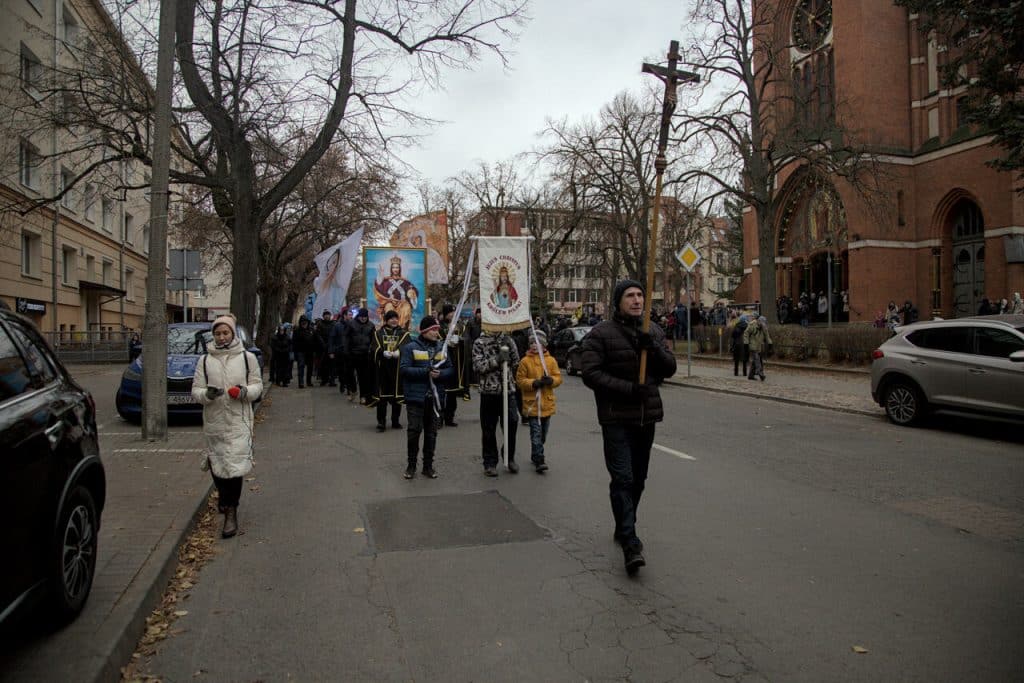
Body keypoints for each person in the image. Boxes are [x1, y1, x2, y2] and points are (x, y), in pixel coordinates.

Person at [579, 279, 677, 575]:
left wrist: (654, 349)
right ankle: (630, 543)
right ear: (618, 301)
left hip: (646, 418)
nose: (636, 300)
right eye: (630, 296)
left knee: (638, 480)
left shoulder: (654, 331)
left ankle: (624, 524)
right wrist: (628, 389)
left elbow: (669, 368)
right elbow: (590, 373)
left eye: (639, 295)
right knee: (622, 477)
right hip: (616, 417)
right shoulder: (601, 334)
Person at [191, 314, 262, 539]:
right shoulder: (205, 361)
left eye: (226, 333)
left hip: (239, 420)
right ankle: (224, 498)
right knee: (217, 463)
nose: (222, 337)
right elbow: (196, 391)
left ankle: (231, 511)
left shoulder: (246, 358)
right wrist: (207, 395)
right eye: (218, 333)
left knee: (235, 466)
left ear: (233, 334)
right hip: (215, 421)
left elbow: (257, 386)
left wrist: (243, 392)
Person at [399, 316, 453, 479]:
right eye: (434, 329)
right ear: (425, 331)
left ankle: (428, 466)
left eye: (437, 329)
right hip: (416, 398)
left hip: (435, 399)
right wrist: (425, 372)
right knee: (414, 432)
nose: (437, 332)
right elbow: (404, 369)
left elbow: (450, 369)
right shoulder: (410, 348)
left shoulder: (442, 348)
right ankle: (411, 466)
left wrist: (441, 374)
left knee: (431, 434)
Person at [472, 327, 521, 476]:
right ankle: (490, 462)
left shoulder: (508, 340)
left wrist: (508, 357)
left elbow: (516, 361)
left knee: (512, 423)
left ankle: (509, 456)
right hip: (489, 391)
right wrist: (497, 360)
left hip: (508, 390)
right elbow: (478, 366)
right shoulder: (479, 342)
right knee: (488, 429)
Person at [515, 330, 562, 473]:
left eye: (538, 343)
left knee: (542, 435)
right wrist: (533, 383)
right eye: (532, 343)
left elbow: (558, 378)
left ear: (544, 345)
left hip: (547, 404)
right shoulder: (525, 361)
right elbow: (520, 380)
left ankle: (536, 452)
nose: (535, 345)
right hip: (532, 405)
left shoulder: (551, 360)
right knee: (535, 433)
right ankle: (539, 459)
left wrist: (551, 381)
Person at [372, 310, 409, 431]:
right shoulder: (378, 333)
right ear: (386, 320)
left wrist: (400, 351)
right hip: (383, 369)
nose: (394, 320)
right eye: (391, 318)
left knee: (396, 397)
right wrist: (382, 352)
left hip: (397, 370)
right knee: (382, 398)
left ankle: (395, 421)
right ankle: (381, 422)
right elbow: (373, 348)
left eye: (395, 318)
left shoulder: (403, 333)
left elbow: (407, 346)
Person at [373, 255, 419, 329]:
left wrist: (412, 292)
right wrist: (380, 274)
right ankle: (390, 329)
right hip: (390, 302)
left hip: (402, 303)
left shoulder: (405, 281)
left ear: (399, 269)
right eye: (393, 267)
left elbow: (413, 289)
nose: (395, 269)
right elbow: (378, 287)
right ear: (391, 269)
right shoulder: (386, 281)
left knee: (407, 307)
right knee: (389, 307)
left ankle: (402, 329)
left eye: (397, 267)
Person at [439, 305, 467, 427]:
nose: (452, 314)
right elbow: (437, 340)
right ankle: (439, 418)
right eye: (450, 312)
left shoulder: (460, 325)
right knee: (441, 393)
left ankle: (450, 417)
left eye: (454, 312)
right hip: (444, 363)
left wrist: (460, 340)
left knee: (452, 394)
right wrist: (446, 341)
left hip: (456, 363)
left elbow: (467, 339)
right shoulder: (440, 327)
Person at [345, 308, 376, 405]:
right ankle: (353, 390)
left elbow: (373, 340)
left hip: (364, 355)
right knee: (349, 374)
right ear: (359, 316)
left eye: (365, 317)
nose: (363, 318)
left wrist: (371, 350)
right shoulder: (351, 324)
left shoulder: (371, 325)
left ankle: (363, 396)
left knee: (363, 377)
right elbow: (346, 338)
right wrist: (346, 351)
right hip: (352, 353)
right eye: (362, 317)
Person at [743, 315, 773, 382]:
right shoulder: (752, 325)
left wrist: (770, 344)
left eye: (764, 323)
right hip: (752, 345)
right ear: (759, 321)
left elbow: (767, 336)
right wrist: (746, 343)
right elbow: (746, 333)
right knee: (757, 360)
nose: (763, 324)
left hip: (758, 346)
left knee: (754, 361)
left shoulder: (764, 327)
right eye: (762, 323)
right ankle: (761, 374)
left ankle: (751, 375)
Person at [291, 316, 316, 388]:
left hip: (310, 352)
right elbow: (294, 342)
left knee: (310, 367)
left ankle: (309, 381)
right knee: (301, 366)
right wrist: (295, 353)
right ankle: (301, 382)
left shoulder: (311, 330)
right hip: (300, 351)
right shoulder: (297, 331)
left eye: (305, 322)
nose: (304, 324)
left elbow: (316, 340)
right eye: (303, 322)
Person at [314, 310, 335, 386]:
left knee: (332, 365)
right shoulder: (320, 324)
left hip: (331, 347)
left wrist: (331, 344)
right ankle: (324, 380)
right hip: (322, 347)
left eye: (328, 315)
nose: (327, 316)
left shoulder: (333, 324)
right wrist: (322, 343)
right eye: (325, 315)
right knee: (323, 365)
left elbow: (334, 335)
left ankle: (332, 380)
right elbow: (318, 335)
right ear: (323, 316)